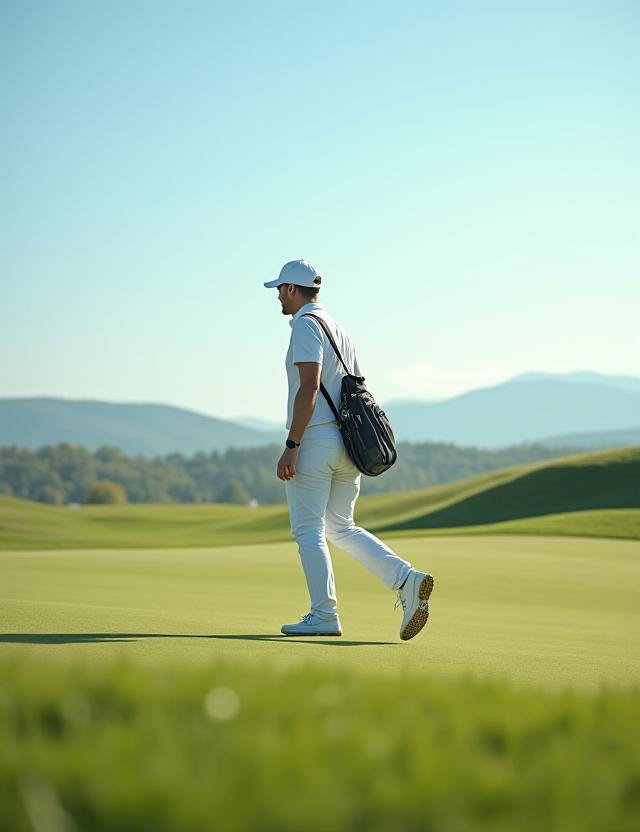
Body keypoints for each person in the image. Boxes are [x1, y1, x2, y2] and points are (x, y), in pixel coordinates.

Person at [264, 258, 434, 640]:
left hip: (315, 441)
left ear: (292, 289)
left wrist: (292, 444)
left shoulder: (306, 326)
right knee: (340, 527)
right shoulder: (340, 328)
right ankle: (406, 579)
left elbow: (308, 387)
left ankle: (324, 614)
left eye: (280, 289)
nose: (277, 295)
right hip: (346, 445)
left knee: (308, 530)